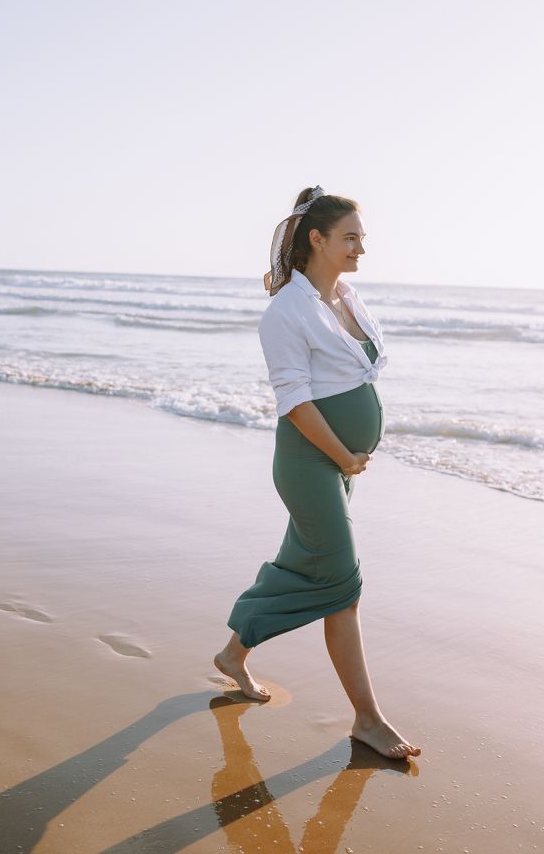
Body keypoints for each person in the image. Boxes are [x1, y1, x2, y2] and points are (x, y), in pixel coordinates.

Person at [214, 187, 421, 760]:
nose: (361, 248)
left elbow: (357, 375)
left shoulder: (349, 297)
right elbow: (295, 403)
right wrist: (342, 455)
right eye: (350, 237)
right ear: (317, 239)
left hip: (338, 464)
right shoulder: (285, 311)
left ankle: (235, 653)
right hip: (311, 461)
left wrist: (351, 457)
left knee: (305, 565)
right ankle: (368, 719)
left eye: (362, 238)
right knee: (342, 587)